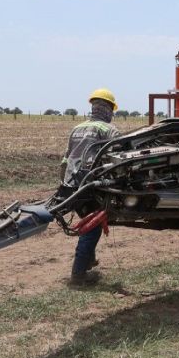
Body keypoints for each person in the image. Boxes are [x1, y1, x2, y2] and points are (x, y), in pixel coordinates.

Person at [61, 88, 120, 286]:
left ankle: (88, 262)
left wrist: (64, 185)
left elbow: (65, 160)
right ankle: (78, 275)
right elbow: (118, 160)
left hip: (71, 185)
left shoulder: (76, 129)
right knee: (92, 227)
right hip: (91, 184)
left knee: (88, 221)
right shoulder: (109, 130)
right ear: (108, 109)